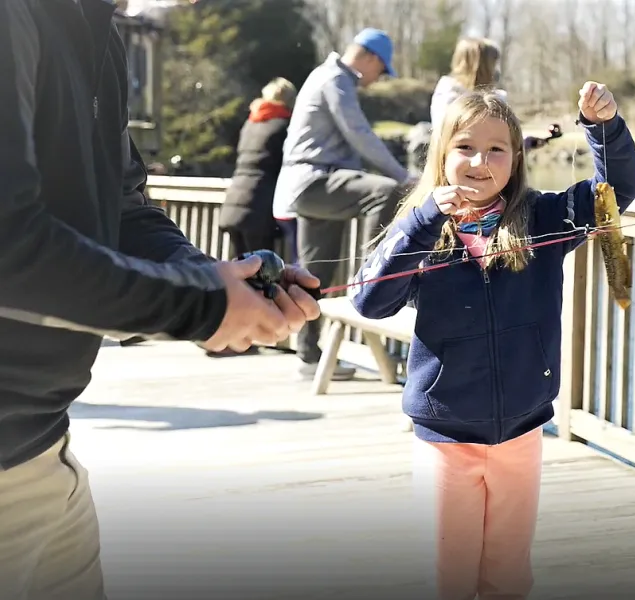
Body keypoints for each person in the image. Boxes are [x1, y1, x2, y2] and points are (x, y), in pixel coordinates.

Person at [0, 2, 322, 598]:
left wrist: (212, 278)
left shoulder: (99, 30)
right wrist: (201, 305)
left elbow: (123, 208)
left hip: (43, 450)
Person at [349, 82, 635, 600]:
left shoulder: (546, 218)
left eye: (496, 149)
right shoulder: (421, 229)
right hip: (445, 437)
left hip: (522, 433)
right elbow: (370, 303)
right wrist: (422, 221)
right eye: (464, 147)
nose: (479, 160)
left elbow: (614, 188)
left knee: (508, 575)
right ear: (442, 153)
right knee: (447, 576)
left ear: (515, 158)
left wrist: (604, 127)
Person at [273, 27, 414, 381]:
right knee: (384, 191)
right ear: (368, 57)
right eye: (381, 70)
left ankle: (308, 356)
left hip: (306, 186)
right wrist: (404, 177)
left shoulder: (324, 76)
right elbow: (359, 134)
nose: (377, 79)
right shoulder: (336, 79)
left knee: (314, 272)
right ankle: (371, 274)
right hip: (317, 180)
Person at [220, 77, 298, 260]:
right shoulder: (284, 127)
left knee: (241, 273)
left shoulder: (250, 124)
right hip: (259, 209)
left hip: (233, 206)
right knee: (264, 274)